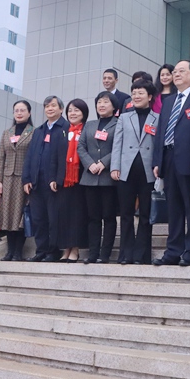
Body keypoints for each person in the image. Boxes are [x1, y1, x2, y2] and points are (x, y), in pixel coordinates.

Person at [152, 60, 190, 266]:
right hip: (168, 160)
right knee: (173, 209)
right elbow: (160, 132)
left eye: (181, 71)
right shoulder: (169, 101)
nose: (175, 74)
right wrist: (157, 161)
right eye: (174, 72)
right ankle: (173, 251)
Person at [111, 80, 160, 264]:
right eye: (134, 93)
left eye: (141, 93)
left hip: (148, 173)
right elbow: (117, 144)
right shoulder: (124, 117)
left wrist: (159, 166)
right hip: (126, 171)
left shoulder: (157, 118)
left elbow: (158, 147)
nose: (137, 96)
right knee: (126, 215)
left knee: (146, 215)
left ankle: (142, 255)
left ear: (149, 96)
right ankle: (126, 254)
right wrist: (115, 166)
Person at [22, 96, 69, 262]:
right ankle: (40, 250)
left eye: (53, 106)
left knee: (53, 218)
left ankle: (53, 250)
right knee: (38, 218)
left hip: (54, 183)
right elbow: (29, 156)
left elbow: (64, 157)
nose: (50, 109)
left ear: (61, 109)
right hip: (36, 182)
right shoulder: (39, 130)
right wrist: (26, 179)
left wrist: (58, 178)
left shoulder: (66, 128)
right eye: (47, 106)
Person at [77, 92, 119, 263]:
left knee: (109, 217)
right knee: (93, 218)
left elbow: (119, 146)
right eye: (99, 102)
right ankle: (93, 253)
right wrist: (90, 164)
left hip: (109, 178)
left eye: (106, 102)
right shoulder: (89, 125)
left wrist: (104, 163)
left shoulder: (119, 124)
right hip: (89, 177)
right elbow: (81, 147)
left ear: (114, 106)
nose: (102, 105)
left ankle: (105, 254)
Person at [0, 101, 35, 261]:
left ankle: (18, 252)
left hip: (23, 180)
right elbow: (1, 157)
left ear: (29, 113)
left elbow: (33, 158)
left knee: (20, 217)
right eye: (16, 110)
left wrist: (31, 179)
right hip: (7, 180)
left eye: (22, 110)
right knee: (8, 216)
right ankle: (9, 251)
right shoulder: (7, 132)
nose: (19, 113)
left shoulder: (33, 132)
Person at [55, 99, 89, 262]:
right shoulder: (62, 131)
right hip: (64, 180)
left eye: (76, 110)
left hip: (81, 179)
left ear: (83, 113)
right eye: (70, 110)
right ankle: (66, 248)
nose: (73, 113)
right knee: (64, 214)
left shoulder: (87, 130)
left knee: (77, 215)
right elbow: (55, 156)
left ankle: (75, 248)